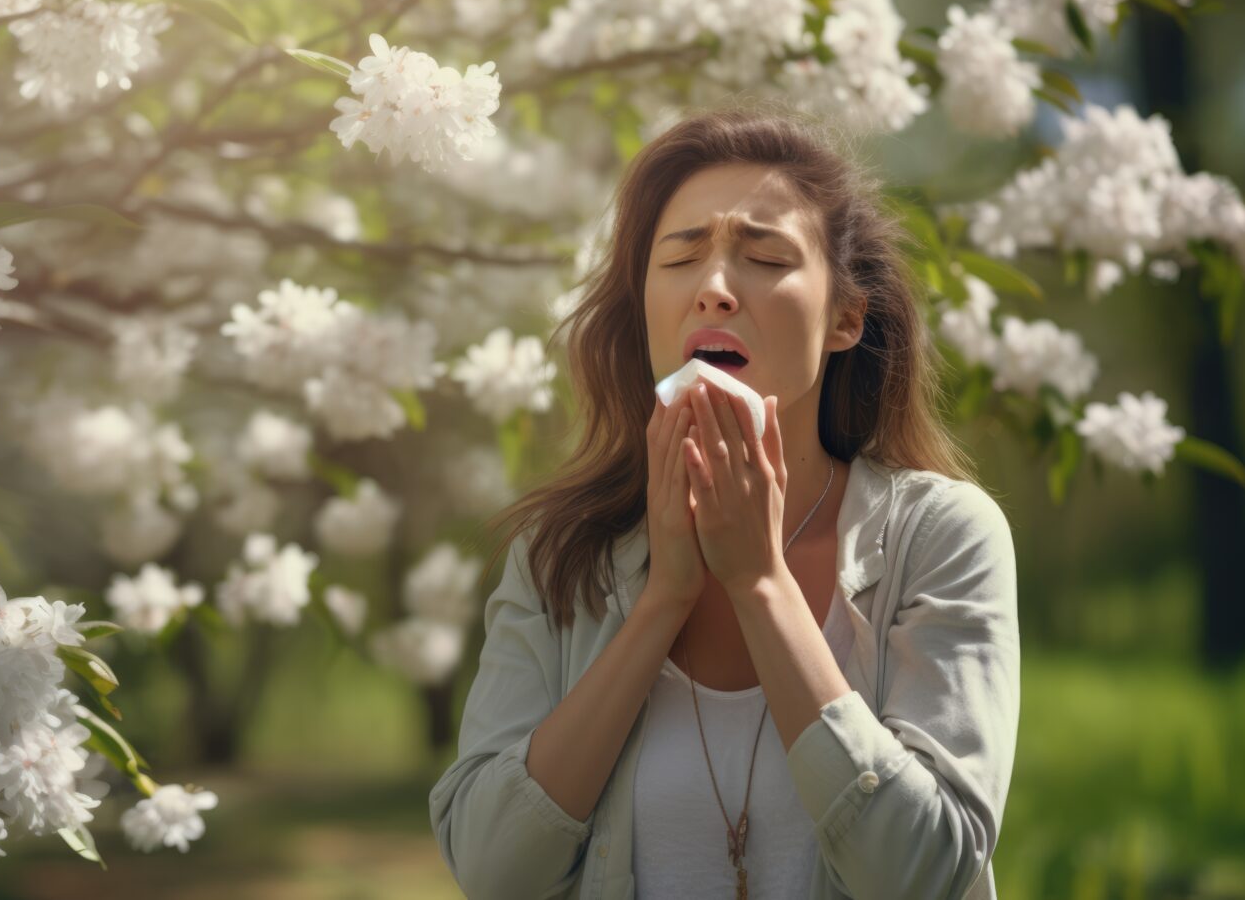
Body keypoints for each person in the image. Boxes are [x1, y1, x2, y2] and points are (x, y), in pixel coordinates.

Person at [429, 101, 1020, 900]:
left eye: (765, 258)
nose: (713, 288)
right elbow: (492, 869)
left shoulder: (941, 536)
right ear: (645, 309)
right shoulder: (557, 557)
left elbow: (928, 870)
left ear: (845, 318)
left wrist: (762, 585)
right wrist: (662, 602)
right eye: (680, 259)